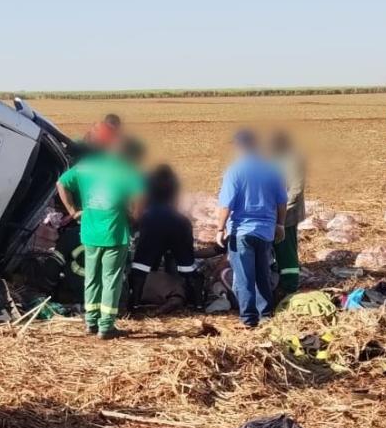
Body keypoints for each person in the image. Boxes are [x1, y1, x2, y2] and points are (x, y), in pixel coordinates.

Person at [56, 134, 145, 339]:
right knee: (111, 279)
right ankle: (106, 326)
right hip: (115, 233)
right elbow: (140, 196)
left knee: (92, 278)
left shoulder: (86, 166)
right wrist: (134, 216)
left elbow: (61, 184)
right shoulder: (127, 170)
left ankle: (91, 321)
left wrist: (73, 211)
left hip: (90, 231)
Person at [216, 130, 286, 328]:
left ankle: (248, 319)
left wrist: (220, 229)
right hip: (265, 232)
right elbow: (282, 202)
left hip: (241, 232)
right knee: (263, 274)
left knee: (244, 278)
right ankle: (266, 316)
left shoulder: (234, 171)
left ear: (239, 147)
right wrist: (280, 224)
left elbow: (226, 205)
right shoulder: (272, 169)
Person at [130, 164, 201, 309]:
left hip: (152, 221)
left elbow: (140, 201)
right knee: (187, 265)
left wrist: (137, 221)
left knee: (141, 265)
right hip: (178, 221)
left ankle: (134, 303)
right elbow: (176, 203)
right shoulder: (174, 181)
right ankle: (198, 303)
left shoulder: (145, 180)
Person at [268, 130, 305, 300]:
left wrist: (281, 212)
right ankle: (277, 280)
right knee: (275, 248)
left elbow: (296, 190)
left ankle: (290, 285)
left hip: (288, 214)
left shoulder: (293, 160)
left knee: (286, 250)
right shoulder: (271, 159)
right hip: (272, 213)